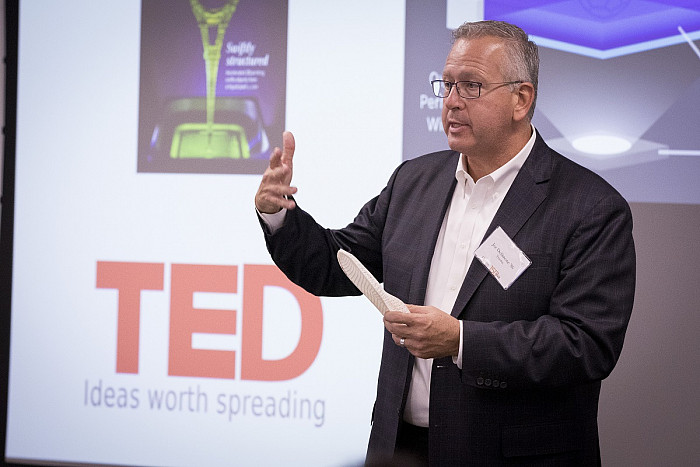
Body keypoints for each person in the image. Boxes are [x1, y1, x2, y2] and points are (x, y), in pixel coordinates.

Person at [255, 20, 635, 466]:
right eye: (447, 84)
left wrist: (460, 340)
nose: (451, 101)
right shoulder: (414, 180)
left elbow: (586, 345)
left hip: (511, 455)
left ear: (521, 99)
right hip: (402, 448)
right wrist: (278, 213)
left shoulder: (589, 206)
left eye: (471, 86)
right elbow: (334, 265)